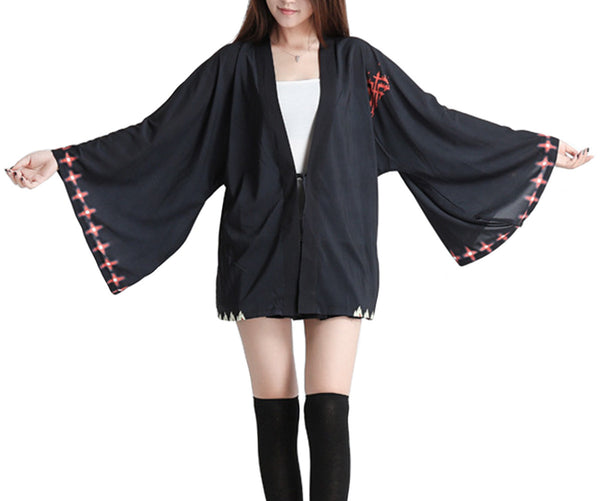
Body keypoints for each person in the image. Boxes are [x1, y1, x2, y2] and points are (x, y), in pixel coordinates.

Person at [4, 1, 594, 500]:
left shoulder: (358, 62)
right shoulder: (235, 67)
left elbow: (435, 124)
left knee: (329, 412)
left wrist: (537, 150)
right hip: (254, 247)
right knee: (275, 416)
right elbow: (158, 135)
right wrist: (61, 160)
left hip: (340, 247)